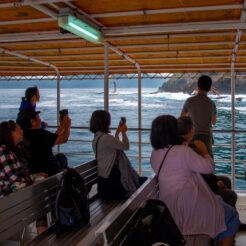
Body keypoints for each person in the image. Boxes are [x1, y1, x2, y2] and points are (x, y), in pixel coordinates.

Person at [150, 115, 239, 246]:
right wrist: (205, 151)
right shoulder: (183, 151)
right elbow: (209, 168)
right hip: (188, 204)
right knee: (232, 217)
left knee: (222, 214)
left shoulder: (155, 154)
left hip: (168, 204)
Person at [178, 116, 237, 208]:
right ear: (191, 130)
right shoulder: (186, 150)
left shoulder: (186, 146)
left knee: (226, 180)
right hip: (197, 191)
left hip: (198, 183)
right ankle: (225, 215)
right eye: (193, 127)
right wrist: (204, 151)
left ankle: (225, 213)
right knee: (231, 195)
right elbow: (207, 170)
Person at [89, 110, 145, 200]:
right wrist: (123, 132)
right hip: (112, 186)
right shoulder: (106, 137)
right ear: (106, 122)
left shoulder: (97, 138)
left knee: (140, 182)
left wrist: (117, 133)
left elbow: (113, 147)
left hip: (103, 185)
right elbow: (126, 146)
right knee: (143, 183)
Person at [16, 108, 71, 177]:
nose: (40, 120)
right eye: (38, 118)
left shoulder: (22, 135)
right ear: (32, 121)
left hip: (33, 170)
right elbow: (64, 139)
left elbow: (52, 140)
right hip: (49, 170)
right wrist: (67, 126)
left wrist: (62, 126)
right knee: (62, 158)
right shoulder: (40, 134)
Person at [181, 75, 216, 156]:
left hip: (192, 136)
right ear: (209, 88)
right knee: (207, 161)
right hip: (206, 137)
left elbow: (182, 118)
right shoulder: (211, 103)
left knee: (191, 162)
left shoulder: (189, 101)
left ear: (198, 86)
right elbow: (214, 122)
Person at [0, 120, 32, 197]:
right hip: (6, 201)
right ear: (12, 133)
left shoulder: (13, 150)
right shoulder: (4, 152)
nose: (22, 130)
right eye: (19, 129)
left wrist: (33, 176)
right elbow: (16, 182)